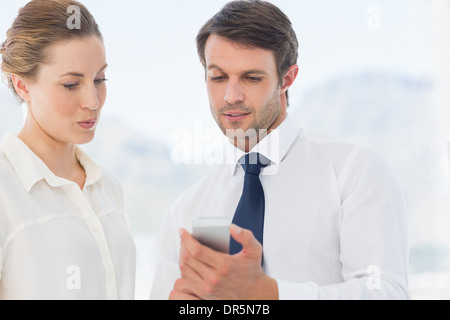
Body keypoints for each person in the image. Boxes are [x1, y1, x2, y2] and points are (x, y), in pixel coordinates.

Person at [149, 0, 410, 300]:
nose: (231, 96)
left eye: (251, 77)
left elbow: (387, 292)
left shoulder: (354, 171)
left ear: (287, 79)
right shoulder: (187, 209)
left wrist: (271, 294)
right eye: (218, 77)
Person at [0, 0, 136, 299]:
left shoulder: (108, 188)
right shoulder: (5, 189)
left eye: (100, 79)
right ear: (22, 86)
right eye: (71, 84)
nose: (93, 101)